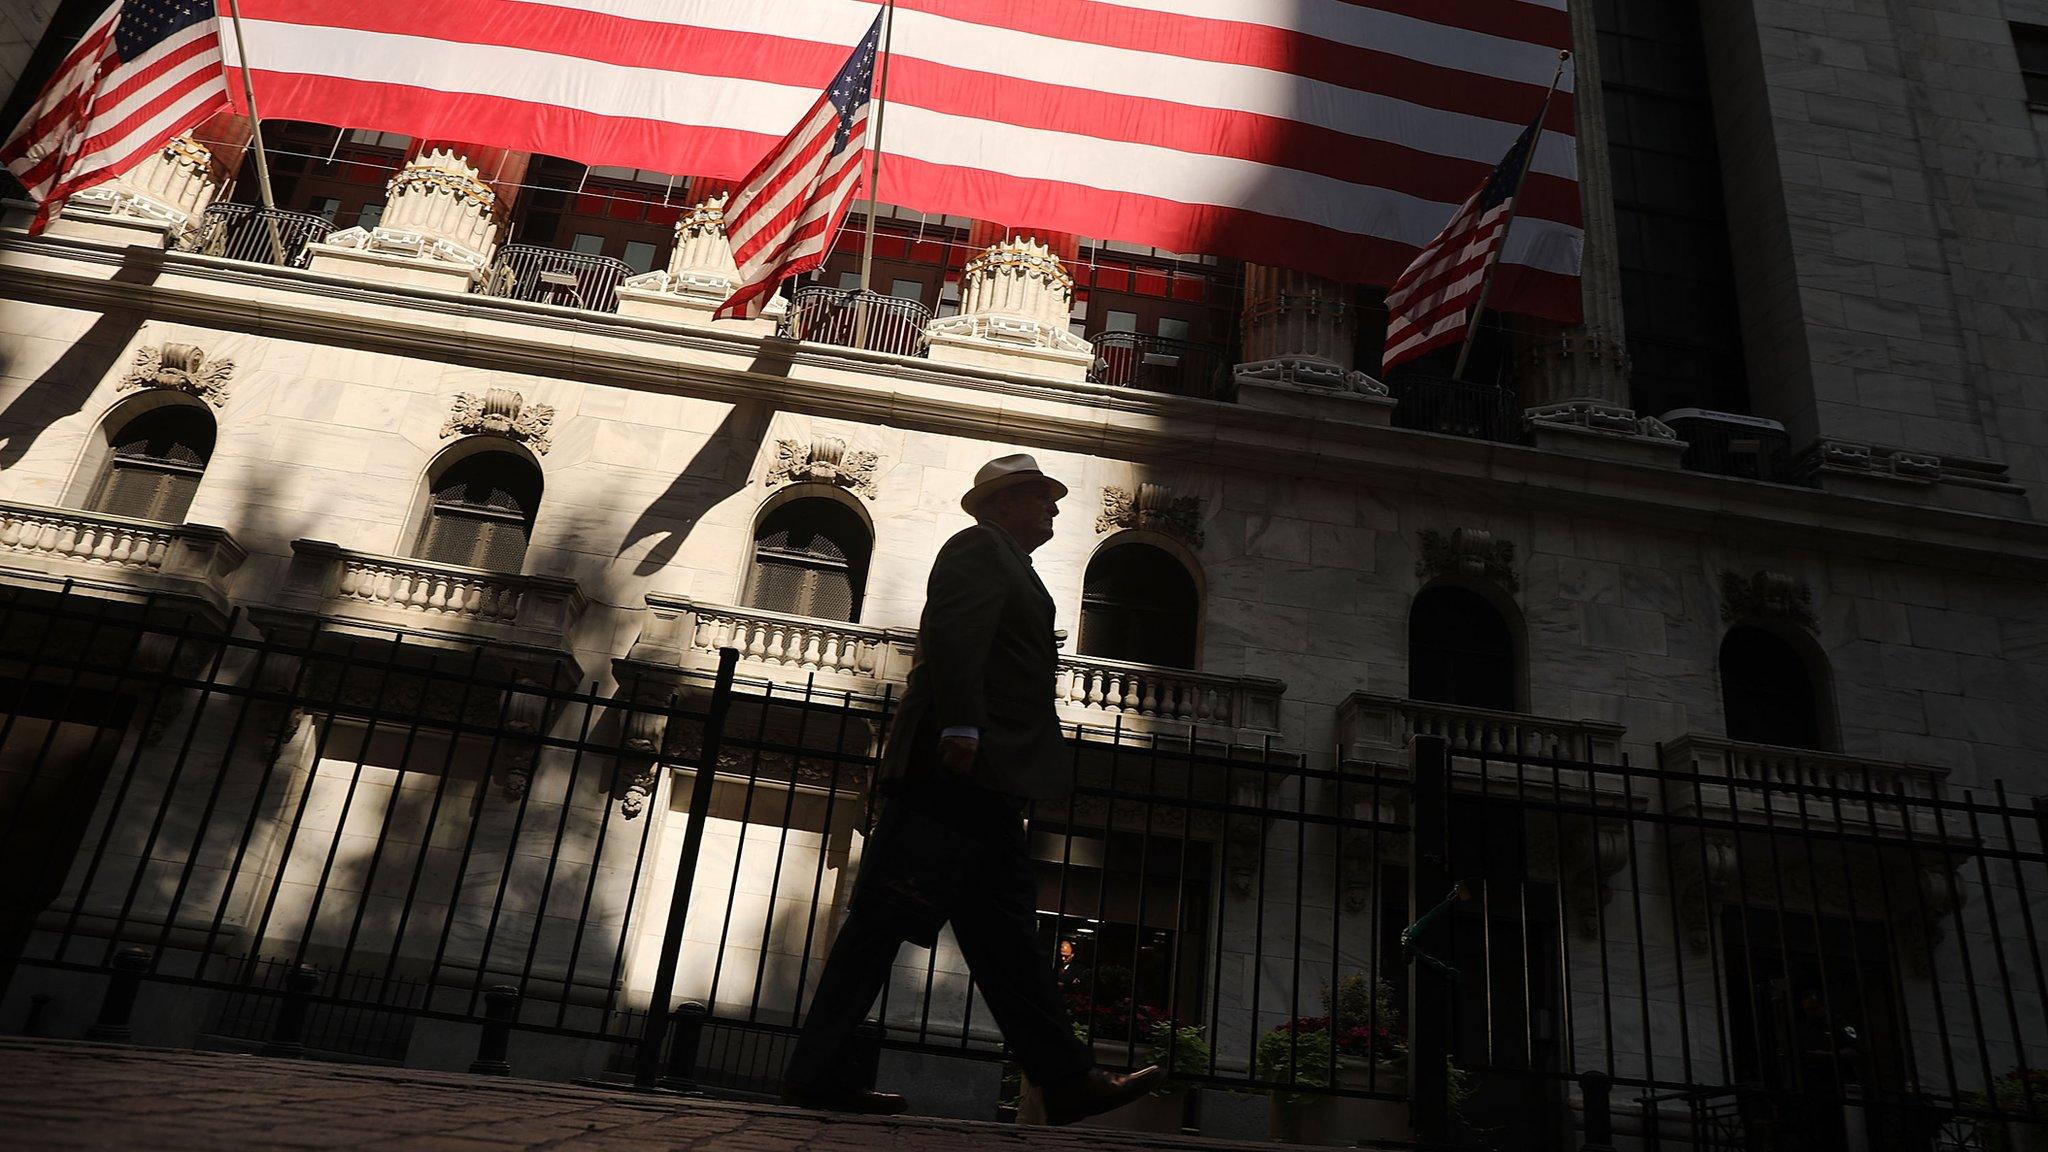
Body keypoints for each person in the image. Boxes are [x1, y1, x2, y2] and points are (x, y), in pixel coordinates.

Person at [781, 454, 1162, 1123]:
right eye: (1041, 497)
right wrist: (961, 724)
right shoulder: (978, 546)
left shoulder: (1012, 561)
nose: (1053, 507)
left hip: (987, 778)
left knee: (1004, 937)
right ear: (1006, 500)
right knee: (885, 921)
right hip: (954, 774)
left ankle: (1065, 1078)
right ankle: (817, 1073)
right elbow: (956, 638)